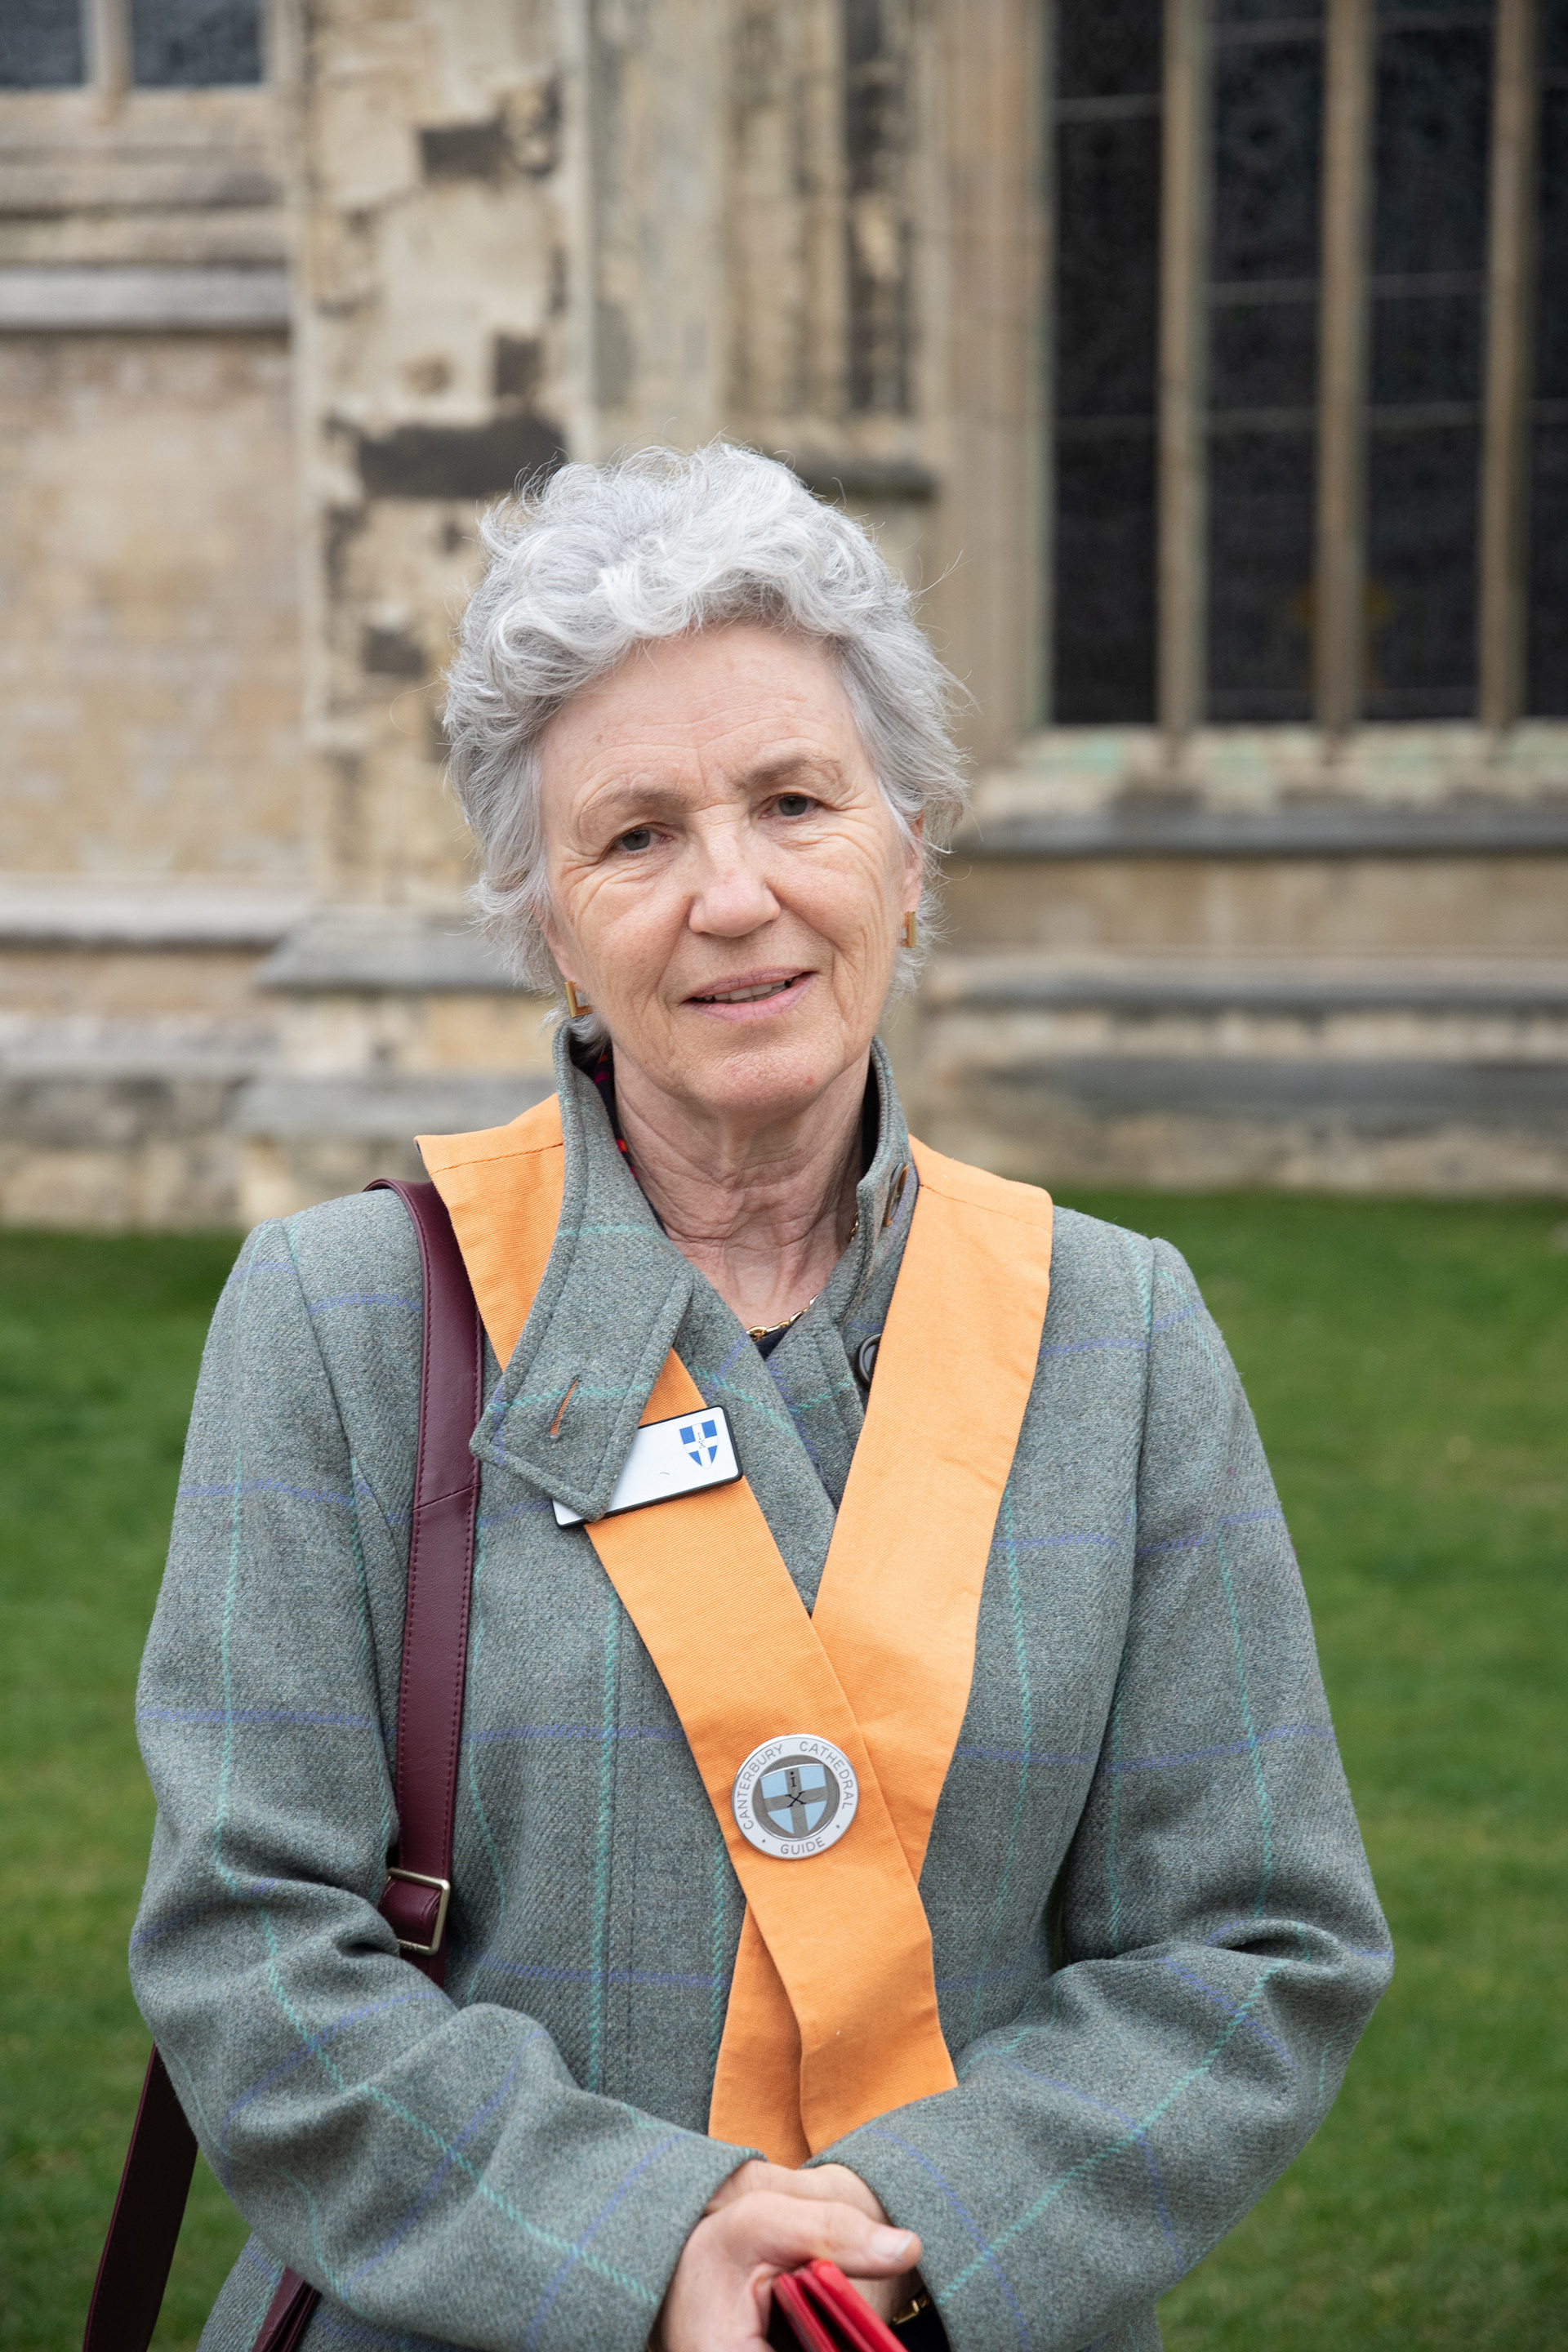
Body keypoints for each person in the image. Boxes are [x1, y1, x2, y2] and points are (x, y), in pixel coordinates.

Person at [131, 444, 1391, 2352]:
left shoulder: (1123, 1331)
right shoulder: (338, 1321)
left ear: (908, 846)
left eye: (796, 801)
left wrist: (925, 2223)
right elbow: (249, 1946)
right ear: (547, 921)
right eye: (634, 837)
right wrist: (655, 2241)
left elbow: (1257, 1941)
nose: (734, 897)